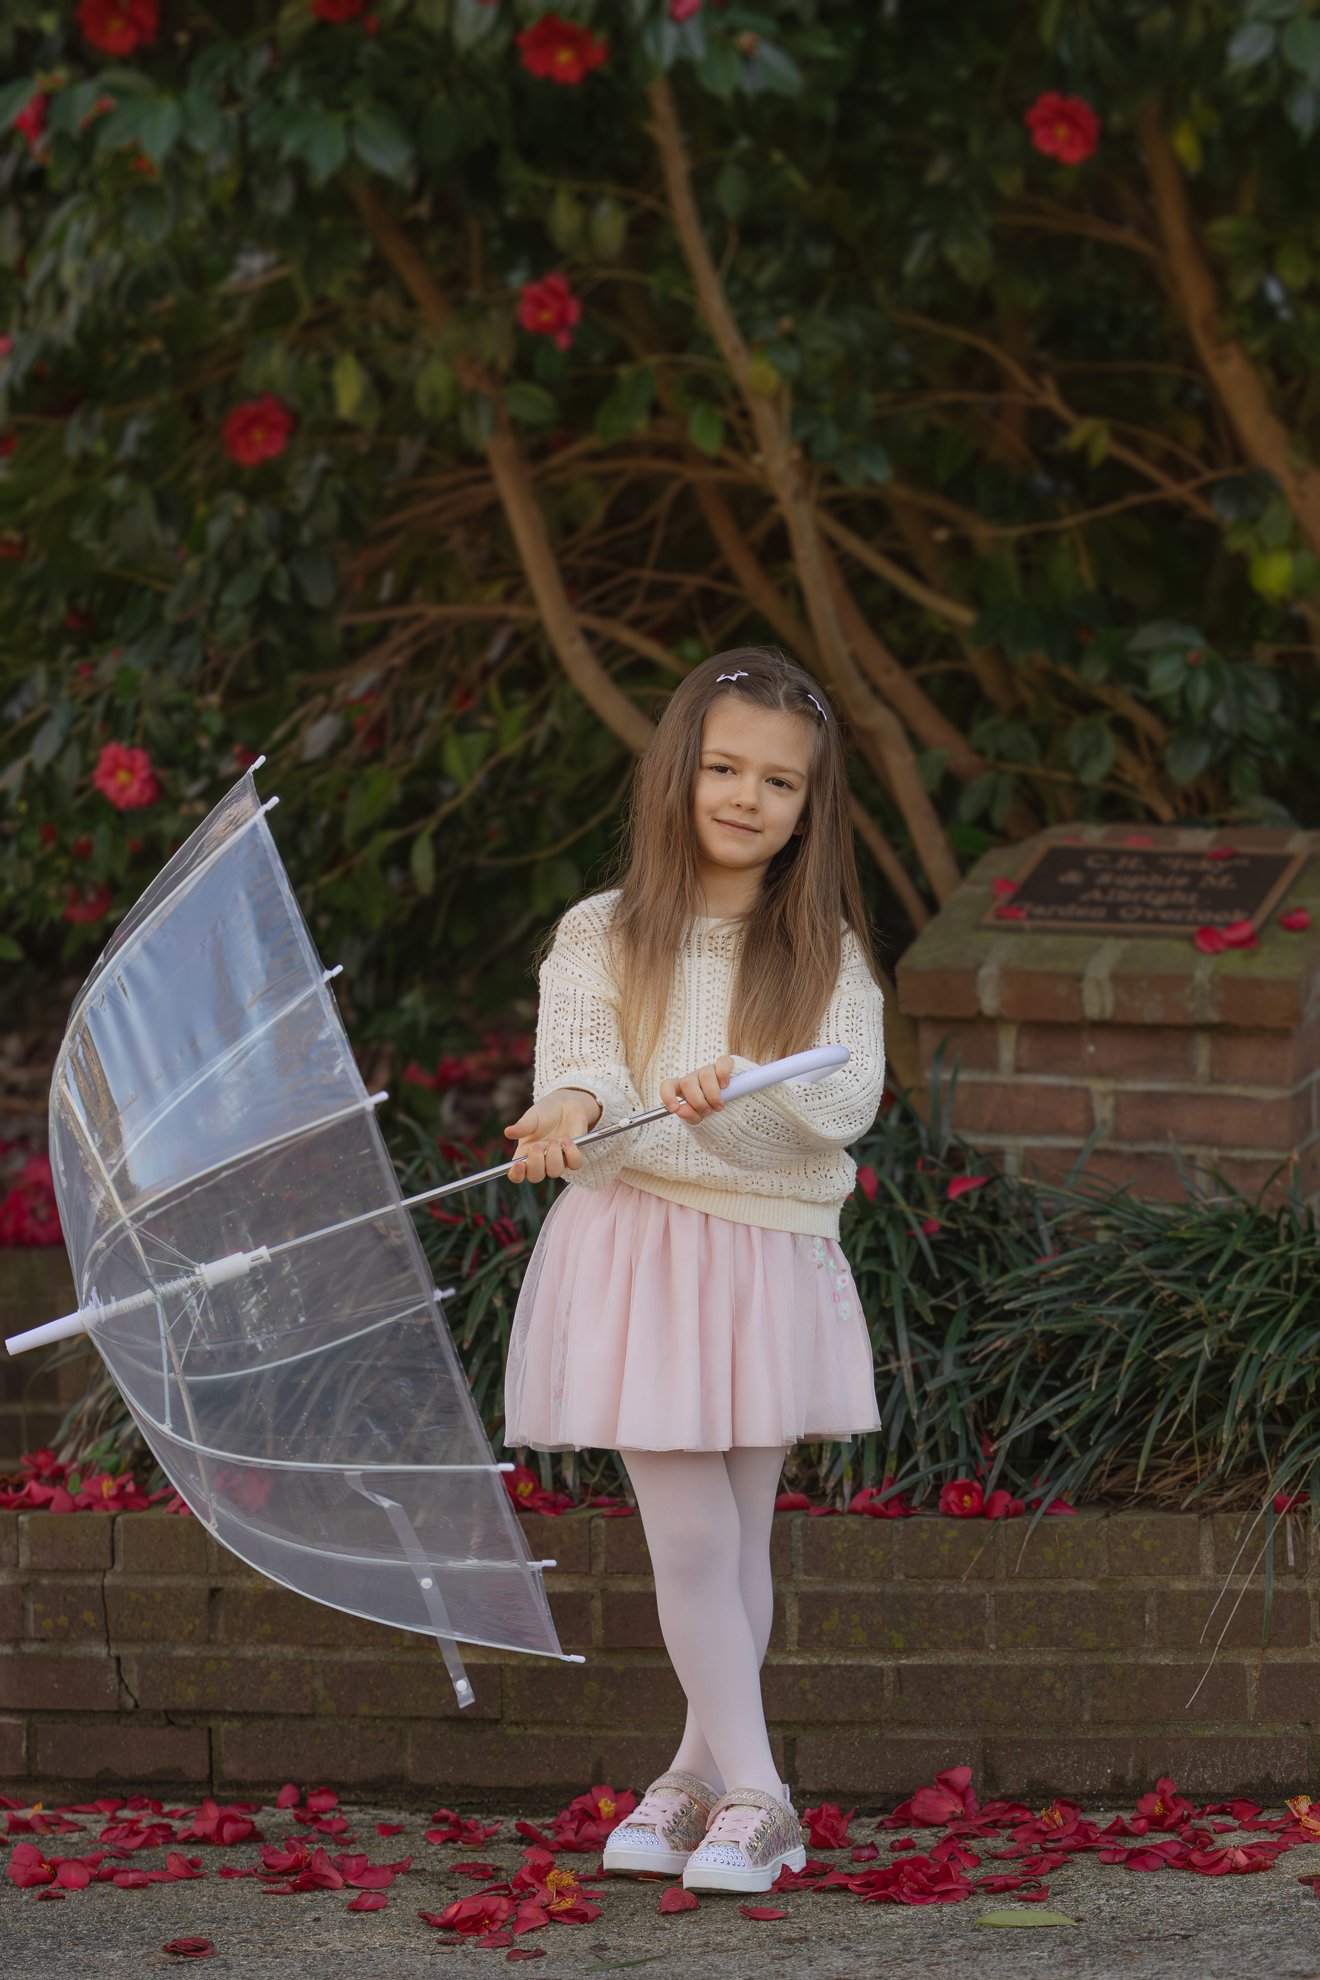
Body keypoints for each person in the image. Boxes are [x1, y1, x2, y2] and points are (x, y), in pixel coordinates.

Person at [500, 647, 886, 1896]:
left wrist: (739, 1093)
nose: (745, 796)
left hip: (770, 1253)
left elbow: (848, 1097)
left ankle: (690, 1776)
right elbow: (588, 1062)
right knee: (687, 1534)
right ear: (679, 772)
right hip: (642, 1251)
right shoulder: (603, 929)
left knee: (739, 1536)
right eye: (723, 766)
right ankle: (762, 1795)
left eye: (779, 781)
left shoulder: (818, 942)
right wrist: (563, 1107)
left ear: (808, 806)